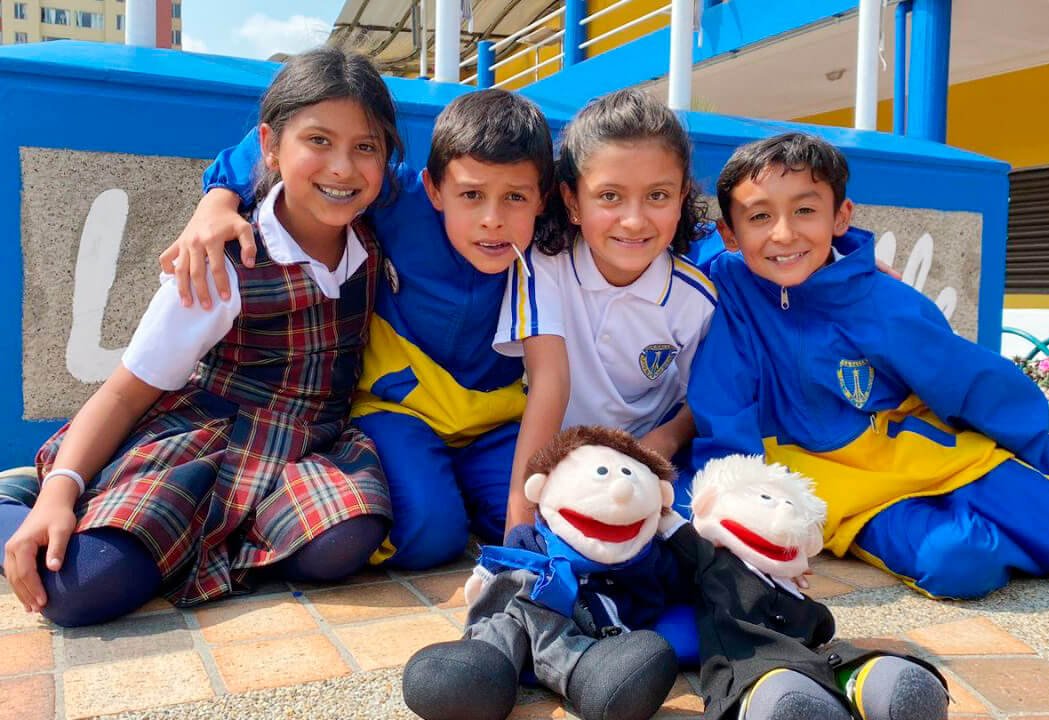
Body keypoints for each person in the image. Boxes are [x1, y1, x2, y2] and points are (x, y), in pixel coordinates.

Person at [0, 47, 402, 626]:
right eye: (317, 141)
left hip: (308, 444)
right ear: (269, 145)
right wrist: (59, 493)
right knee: (79, 587)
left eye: (365, 147)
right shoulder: (220, 263)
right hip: (209, 439)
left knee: (344, 541)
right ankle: (25, 498)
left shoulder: (373, 235)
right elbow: (124, 392)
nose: (342, 167)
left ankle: (208, 543)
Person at [156, 88, 556, 570]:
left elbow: (608, 195)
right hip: (399, 408)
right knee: (431, 537)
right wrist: (218, 199)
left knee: (546, 522)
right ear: (434, 188)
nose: (492, 221)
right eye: (471, 194)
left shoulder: (550, 236)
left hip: (495, 420)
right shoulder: (403, 201)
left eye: (515, 197)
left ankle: (456, 488)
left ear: (543, 200)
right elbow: (274, 140)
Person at [689, 131, 1049, 599]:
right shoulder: (729, 294)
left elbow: (976, 383)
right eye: (760, 216)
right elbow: (723, 406)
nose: (784, 233)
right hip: (842, 492)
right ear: (730, 233)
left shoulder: (880, 299)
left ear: (840, 216)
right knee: (960, 564)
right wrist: (742, 508)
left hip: (936, 456)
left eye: (805, 210)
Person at [493, 88, 718, 531]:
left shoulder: (695, 297)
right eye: (610, 197)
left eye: (657, 196)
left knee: (694, 523)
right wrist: (518, 535)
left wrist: (662, 442)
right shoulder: (544, 265)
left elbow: (704, 399)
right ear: (574, 202)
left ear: (681, 198)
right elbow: (548, 383)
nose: (634, 221)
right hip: (561, 455)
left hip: (651, 456)